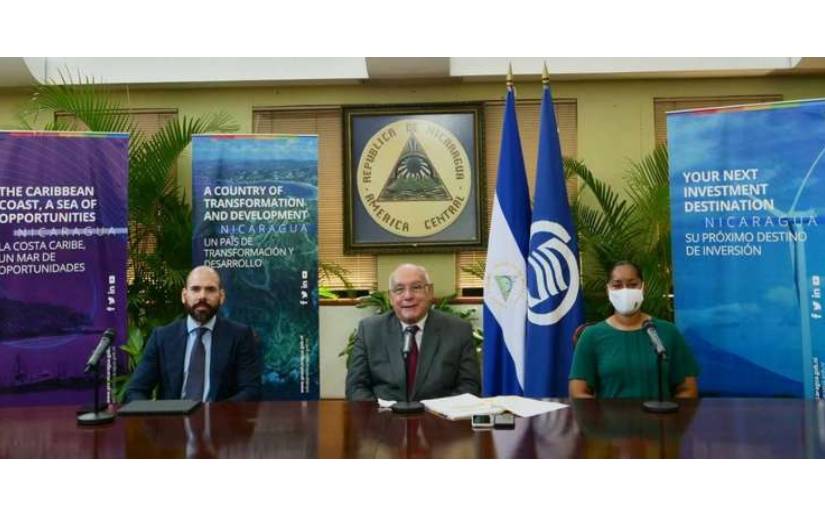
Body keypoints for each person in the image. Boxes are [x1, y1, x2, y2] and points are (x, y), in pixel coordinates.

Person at [124, 265, 262, 403]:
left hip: (221, 415)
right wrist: (153, 414)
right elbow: (135, 390)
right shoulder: (162, 337)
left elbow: (251, 391)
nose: (202, 296)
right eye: (195, 289)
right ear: (184, 296)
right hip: (172, 416)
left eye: (210, 289)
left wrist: (215, 412)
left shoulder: (240, 336)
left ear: (221, 296)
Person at [346, 263, 481, 402]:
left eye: (416, 287)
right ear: (391, 297)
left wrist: (438, 412)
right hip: (383, 414)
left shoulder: (458, 330)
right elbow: (356, 387)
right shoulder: (370, 330)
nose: (408, 296)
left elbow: (470, 386)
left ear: (430, 292)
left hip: (438, 414)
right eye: (399, 289)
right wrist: (379, 413)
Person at [568, 261, 699, 399]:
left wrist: (671, 412)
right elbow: (578, 392)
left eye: (632, 284)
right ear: (608, 290)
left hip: (660, 413)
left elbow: (687, 389)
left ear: (643, 288)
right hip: (610, 414)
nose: (625, 291)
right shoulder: (591, 336)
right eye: (617, 285)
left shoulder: (668, 332)